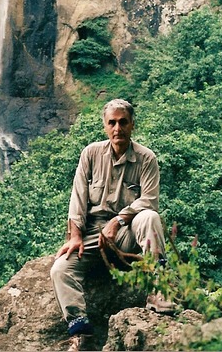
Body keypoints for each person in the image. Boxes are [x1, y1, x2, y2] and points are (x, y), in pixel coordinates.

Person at [50, 99, 173, 352]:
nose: (118, 128)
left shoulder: (146, 158)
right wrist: (75, 236)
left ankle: (159, 291)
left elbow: (149, 200)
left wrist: (119, 220)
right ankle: (81, 332)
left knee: (149, 217)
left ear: (132, 125)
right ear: (105, 127)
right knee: (60, 270)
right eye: (112, 122)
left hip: (127, 232)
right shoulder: (91, 154)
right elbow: (78, 198)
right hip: (93, 235)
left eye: (123, 122)